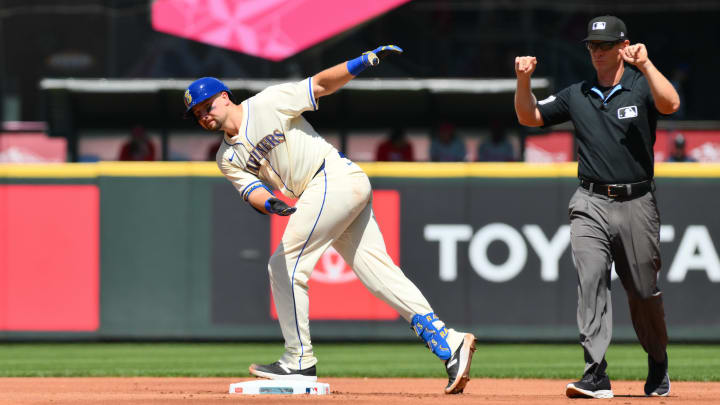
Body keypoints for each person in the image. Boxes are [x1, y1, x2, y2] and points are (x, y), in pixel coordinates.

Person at [183, 45, 476, 394]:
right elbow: (251, 191)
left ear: (225, 97)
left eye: (207, 105)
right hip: (328, 192)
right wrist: (271, 203)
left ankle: (299, 360)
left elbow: (319, 85)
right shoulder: (225, 156)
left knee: (284, 265)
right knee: (378, 273)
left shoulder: (267, 103)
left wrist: (361, 61)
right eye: (197, 113)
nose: (204, 115)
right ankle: (448, 340)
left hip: (330, 179)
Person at [514, 15, 679, 399]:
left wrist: (647, 64)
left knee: (642, 291)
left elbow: (670, 104)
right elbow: (529, 115)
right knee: (590, 281)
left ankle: (657, 363)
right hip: (589, 200)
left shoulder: (640, 86)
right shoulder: (578, 94)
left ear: (623, 46)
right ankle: (596, 373)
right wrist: (523, 81)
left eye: (604, 45)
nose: (597, 51)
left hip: (637, 200)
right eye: (591, 45)